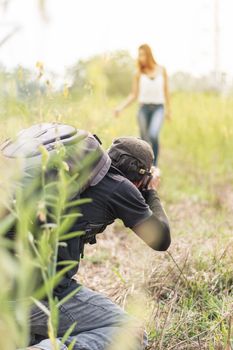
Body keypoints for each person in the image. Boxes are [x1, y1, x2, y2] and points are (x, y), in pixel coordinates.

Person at [22, 134, 171, 350]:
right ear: (140, 175)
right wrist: (151, 191)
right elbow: (161, 239)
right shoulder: (120, 187)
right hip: (42, 294)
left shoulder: (79, 176)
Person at [114, 44, 171, 165]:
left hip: (158, 108)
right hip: (143, 109)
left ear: (149, 54)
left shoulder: (161, 70)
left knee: (153, 134)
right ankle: (146, 166)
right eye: (139, 55)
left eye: (143, 54)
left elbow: (166, 91)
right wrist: (120, 107)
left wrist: (169, 111)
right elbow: (133, 95)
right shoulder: (138, 73)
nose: (141, 58)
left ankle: (155, 165)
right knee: (144, 141)